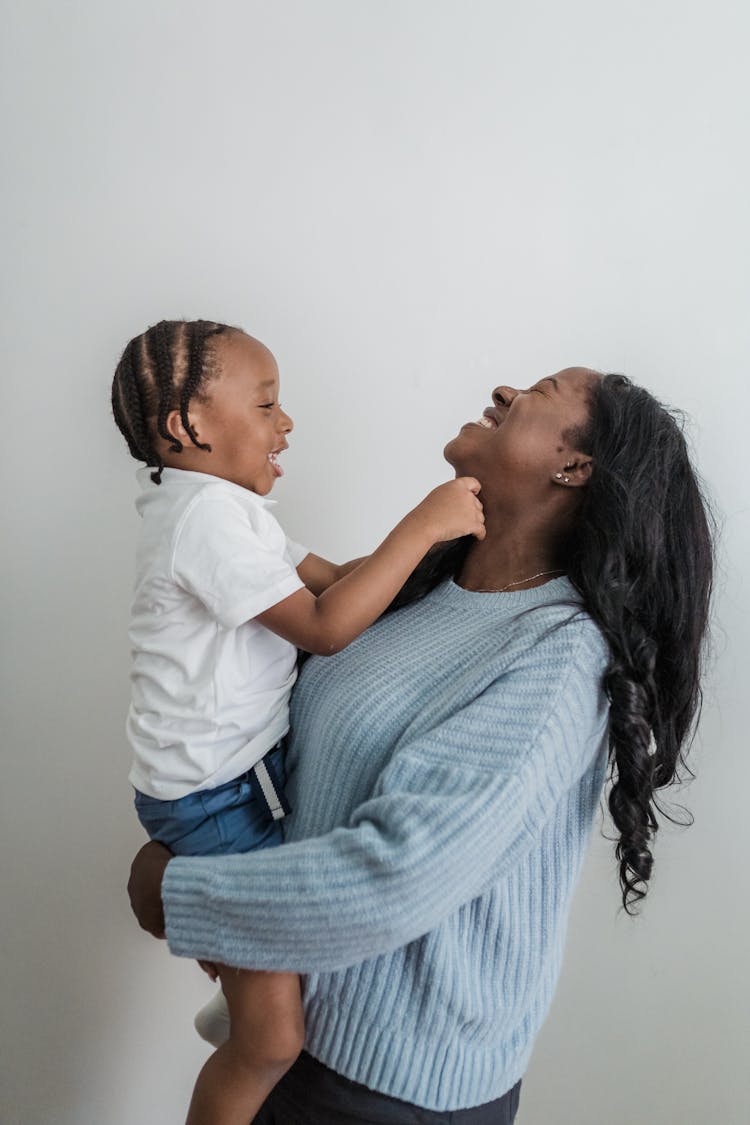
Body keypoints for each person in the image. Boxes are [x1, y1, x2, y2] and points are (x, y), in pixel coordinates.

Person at [128, 365, 714, 1124]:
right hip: (298, 1038)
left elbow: (392, 876)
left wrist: (178, 893)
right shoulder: (426, 587)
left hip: (388, 1088)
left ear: (573, 467)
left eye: (537, 391)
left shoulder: (558, 657)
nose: (504, 391)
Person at [112, 318, 486, 1125]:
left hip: (241, 774)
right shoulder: (204, 518)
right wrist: (422, 523)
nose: (287, 425)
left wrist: (438, 556)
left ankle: (249, 987)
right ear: (189, 426)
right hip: (218, 794)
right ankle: (248, 1018)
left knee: (303, 929)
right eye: (268, 404)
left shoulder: (227, 509)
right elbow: (323, 622)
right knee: (275, 1042)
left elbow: (336, 576)